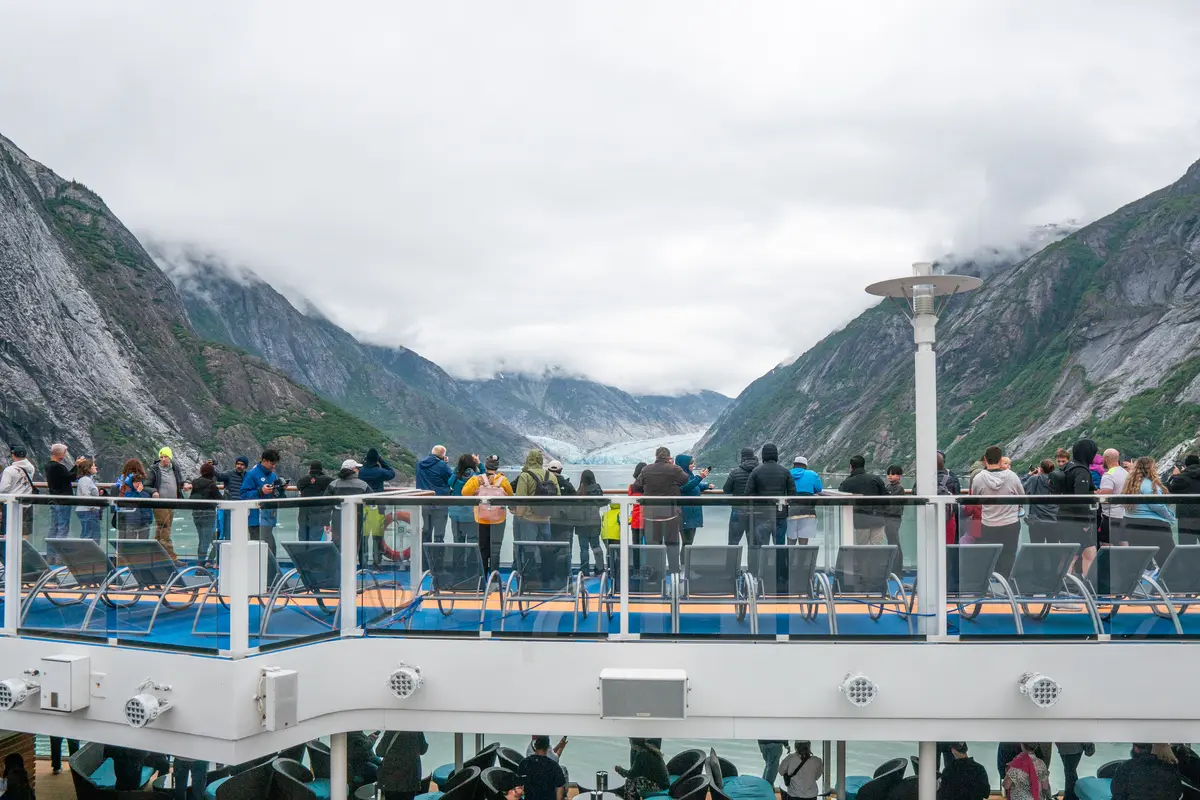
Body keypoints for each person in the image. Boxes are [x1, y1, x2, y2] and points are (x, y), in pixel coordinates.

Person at [970, 446, 1025, 577]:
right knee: (1008, 554)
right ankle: (1004, 581)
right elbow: (1022, 495)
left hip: (988, 523)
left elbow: (974, 499)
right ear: (1000, 460)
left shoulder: (978, 478)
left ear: (985, 459)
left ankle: (989, 581)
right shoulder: (1012, 476)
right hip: (1010, 522)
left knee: (989, 555)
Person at [633, 447, 690, 571]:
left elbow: (636, 486)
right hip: (670, 515)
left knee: (653, 549)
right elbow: (685, 480)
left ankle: (655, 576)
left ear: (656, 456)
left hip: (650, 515)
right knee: (672, 546)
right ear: (669, 457)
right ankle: (674, 572)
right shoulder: (674, 469)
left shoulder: (646, 469)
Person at [1054, 439, 1098, 577]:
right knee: (1075, 555)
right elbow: (1081, 498)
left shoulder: (1067, 466)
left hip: (1063, 515)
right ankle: (1066, 583)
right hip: (1076, 520)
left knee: (1082, 553)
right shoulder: (1081, 471)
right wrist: (1085, 522)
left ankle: (1070, 583)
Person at [462, 455, 513, 574]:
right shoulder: (503, 480)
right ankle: (494, 577)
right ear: (497, 467)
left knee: (482, 548)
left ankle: (482, 576)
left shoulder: (477, 479)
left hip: (481, 518)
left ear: (485, 466)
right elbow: (510, 497)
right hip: (498, 519)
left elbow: (464, 493)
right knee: (496, 548)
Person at [1123, 456, 1177, 564]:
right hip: (1154, 526)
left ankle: (1145, 573)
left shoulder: (1131, 485)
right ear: (1151, 469)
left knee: (1140, 561)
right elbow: (1157, 505)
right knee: (1168, 560)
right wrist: (1170, 517)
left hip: (1131, 524)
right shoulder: (1150, 485)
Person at [745, 443, 798, 547]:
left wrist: (758, 503)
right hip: (780, 514)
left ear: (763, 455)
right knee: (779, 546)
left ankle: (764, 558)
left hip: (762, 514)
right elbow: (792, 495)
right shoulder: (785, 471)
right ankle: (780, 558)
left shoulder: (756, 471)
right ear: (776, 455)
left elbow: (747, 494)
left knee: (762, 545)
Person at [240, 450, 282, 581]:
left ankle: (269, 580)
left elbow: (277, 496)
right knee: (260, 551)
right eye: (272, 463)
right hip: (256, 520)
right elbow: (244, 495)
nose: (274, 466)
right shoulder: (252, 475)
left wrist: (280, 489)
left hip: (268, 520)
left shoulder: (273, 476)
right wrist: (260, 491)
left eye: (275, 463)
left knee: (271, 550)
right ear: (264, 461)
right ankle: (258, 580)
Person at [145, 446, 188, 562]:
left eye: (166, 457)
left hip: (172, 504)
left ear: (170, 457)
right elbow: (146, 485)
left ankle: (156, 556)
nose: (163, 459)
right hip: (160, 504)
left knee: (161, 529)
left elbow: (181, 481)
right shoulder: (155, 469)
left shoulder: (175, 468)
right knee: (165, 529)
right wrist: (153, 491)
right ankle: (172, 558)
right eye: (161, 457)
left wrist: (185, 484)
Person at [839, 455, 887, 544]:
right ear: (863, 465)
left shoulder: (847, 482)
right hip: (878, 517)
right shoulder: (875, 478)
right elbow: (886, 496)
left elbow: (840, 497)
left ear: (851, 467)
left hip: (861, 519)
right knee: (877, 546)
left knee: (862, 547)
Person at [513, 450, 559, 543]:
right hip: (546, 518)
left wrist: (519, 515)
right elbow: (558, 497)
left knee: (529, 546)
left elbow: (521, 498)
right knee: (545, 546)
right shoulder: (551, 476)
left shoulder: (525, 475)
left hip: (529, 518)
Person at [324, 459, 371, 547]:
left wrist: (326, 522)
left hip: (337, 518)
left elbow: (326, 505)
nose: (358, 470)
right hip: (357, 517)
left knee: (337, 544)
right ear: (354, 470)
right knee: (354, 543)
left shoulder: (334, 484)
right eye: (357, 468)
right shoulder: (363, 485)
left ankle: (338, 556)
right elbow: (372, 502)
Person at [1112, 743, 1182, 800]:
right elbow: (1177, 793)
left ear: (1136, 749)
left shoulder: (1125, 767)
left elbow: (1117, 794)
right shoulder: (1170, 768)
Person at [415, 445, 454, 543]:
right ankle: (437, 552)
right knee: (439, 533)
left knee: (426, 530)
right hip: (440, 502)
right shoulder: (442, 465)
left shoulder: (419, 464)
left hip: (424, 502)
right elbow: (452, 479)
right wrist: (445, 463)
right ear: (443, 455)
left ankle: (424, 552)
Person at [376, 730, 429, 800]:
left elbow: (379, 752)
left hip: (392, 777)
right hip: (411, 777)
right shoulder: (416, 730)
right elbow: (423, 750)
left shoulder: (391, 730)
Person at [674, 455, 712, 551]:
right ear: (684, 464)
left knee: (689, 543)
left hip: (692, 513)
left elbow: (695, 485)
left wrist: (706, 485)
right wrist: (700, 477)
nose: (693, 465)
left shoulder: (689, 475)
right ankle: (684, 561)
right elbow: (686, 487)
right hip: (685, 514)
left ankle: (686, 561)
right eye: (691, 463)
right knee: (687, 543)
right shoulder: (679, 477)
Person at [724, 448, 760, 546]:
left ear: (742, 457)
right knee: (754, 543)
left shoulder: (735, 472)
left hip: (738, 509)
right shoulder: (759, 472)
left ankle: (733, 557)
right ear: (753, 456)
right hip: (756, 510)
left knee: (733, 541)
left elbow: (726, 489)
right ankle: (753, 557)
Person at [575, 470, 606, 575]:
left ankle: (584, 570)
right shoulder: (597, 488)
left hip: (581, 522)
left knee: (583, 548)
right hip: (594, 521)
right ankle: (600, 568)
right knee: (596, 546)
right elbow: (602, 502)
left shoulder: (580, 490)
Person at [0, 445, 36, 537]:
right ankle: (23, 546)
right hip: (27, 502)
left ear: (13, 455)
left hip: (12, 504)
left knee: (9, 530)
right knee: (25, 531)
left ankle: (9, 546)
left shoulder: (9, 470)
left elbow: (3, 489)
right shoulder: (31, 468)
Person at [189, 463, 222, 562]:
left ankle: (200, 562)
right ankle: (201, 564)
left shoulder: (195, 482)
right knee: (206, 541)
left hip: (196, 514)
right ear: (212, 473)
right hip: (208, 514)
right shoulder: (212, 485)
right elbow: (220, 499)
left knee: (201, 540)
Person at [787, 456, 823, 544]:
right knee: (803, 544)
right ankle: (803, 552)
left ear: (794, 465)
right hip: (808, 511)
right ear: (805, 466)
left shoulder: (788, 473)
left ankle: (790, 552)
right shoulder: (812, 474)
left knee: (790, 543)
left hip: (791, 511)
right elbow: (819, 489)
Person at [1097, 449, 1129, 547]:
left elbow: (1105, 497)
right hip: (1124, 515)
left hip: (1110, 516)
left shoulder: (1109, 475)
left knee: (1105, 544)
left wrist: (1098, 494)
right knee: (1123, 543)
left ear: (1106, 458)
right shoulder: (1125, 473)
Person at [518, 736, 566, 800]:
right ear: (548, 748)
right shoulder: (554, 766)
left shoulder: (524, 762)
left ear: (535, 746)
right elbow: (560, 789)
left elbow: (518, 784)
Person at [295, 461, 334, 542]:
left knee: (303, 538)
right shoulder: (327, 480)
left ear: (310, 468)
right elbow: (334, 486)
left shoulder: (303, 480)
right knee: (315, 539)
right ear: (321, 469)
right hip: (318, 512)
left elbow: (298, 486)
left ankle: (303, 550)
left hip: (303, 512)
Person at [448, 454, 482, 545]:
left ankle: (458, 555)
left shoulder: (455, 477)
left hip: (456, 513)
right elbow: (485, 477)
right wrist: (479, 464)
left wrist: (459, 467)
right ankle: (472, 555)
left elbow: (449, 482)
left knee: (458, 541)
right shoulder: (476, 477)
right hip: (471, 513)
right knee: (473, 540)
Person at [1022, 460, 1058, 544]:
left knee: (1036, 547)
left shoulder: (1034, 478)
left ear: (1041, 469)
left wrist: (1029, 475)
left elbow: (1021, 489)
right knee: (1054, 546)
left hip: (1036, 520)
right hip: (1053, 519)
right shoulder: (1056, 479)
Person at [44, 442, 75, 539]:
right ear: (61, 453)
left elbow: (66, 476)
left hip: (54, 499)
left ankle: (51, 548)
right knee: (63, 527)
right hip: (63, 500)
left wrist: (76, 466)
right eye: (65, 452)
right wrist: (78, 466)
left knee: (54, 527)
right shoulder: (59, 467)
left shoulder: (49, 466)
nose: (65, 455)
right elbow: (71, 477)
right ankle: (59, 548)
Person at [547, 460, 578, 555]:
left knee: (549, 543)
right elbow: (576, 500)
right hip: (565, 518)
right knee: (566, 545)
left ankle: (549, 561)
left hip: (547, 518)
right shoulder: (566, 484)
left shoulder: (543, 483)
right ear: (561, 470)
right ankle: (565, 562)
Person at [1168, 454, 1200, 545]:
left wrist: (1174, 476)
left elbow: (1169, 489)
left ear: (1186, 464)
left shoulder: (1181, 478)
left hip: (1185, 514)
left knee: (1186, 545)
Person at [881, 465, 907, 559]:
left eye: (893, 474)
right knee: (891, 540)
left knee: (894, 540)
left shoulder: (899, 487)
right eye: (888, 474)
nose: (890, 476)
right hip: (888, 517)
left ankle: (897, 562)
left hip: (894, 517)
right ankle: (893, 561)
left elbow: (891, 502)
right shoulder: (888, 486)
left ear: (899, 476)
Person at [75, 456, 102, 542]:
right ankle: (87, 550)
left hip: (87, 510)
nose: (95, 467)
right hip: (88, 510)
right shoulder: (85, 480)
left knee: (89, 533)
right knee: (91, 535)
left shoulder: (85, 479)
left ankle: (86, 550)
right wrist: (92, 507)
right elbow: (85, 494)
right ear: (88, 468)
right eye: (93, 466)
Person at [937, 451, 961, 544]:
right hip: (948, 516)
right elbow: (956, 493)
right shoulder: (951, 476)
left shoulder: (924, 479)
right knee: (949, 544)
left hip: (927, 517)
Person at [628, 462, 647, 547]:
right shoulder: (649, 487)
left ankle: (636, 556)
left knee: (636, 546)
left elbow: (630, 500)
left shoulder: (632, 487)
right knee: (650, 545)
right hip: (648, 519)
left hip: (636, 519)